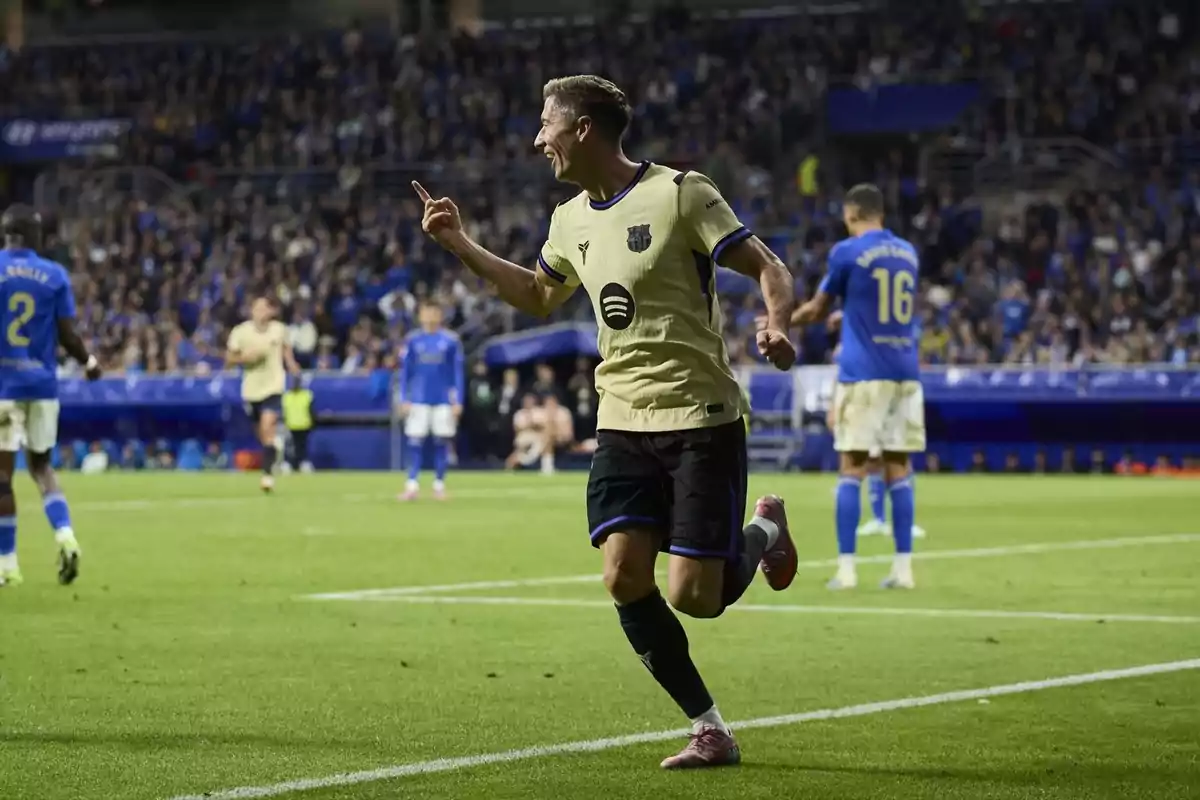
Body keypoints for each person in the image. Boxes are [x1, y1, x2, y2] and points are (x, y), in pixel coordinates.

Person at [414, 74, 798, 769]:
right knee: (623, 577)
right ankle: (708, 727)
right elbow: (537, 296)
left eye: (546, 125)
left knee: (694, 597)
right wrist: (460, 245)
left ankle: (766, 526)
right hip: (621, 419)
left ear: (583, 129)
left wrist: (775, 323)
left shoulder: (682, 192)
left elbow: (767, 265)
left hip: (701, 416)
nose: (538, 140)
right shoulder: (568, 220)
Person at [792, 183, 924, 590]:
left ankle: (847, 570)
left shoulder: (847, 252)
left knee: (852, 469)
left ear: (851, 215)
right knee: (898, 469)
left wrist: (782, 321)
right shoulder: (908, 253)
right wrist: (847, 315)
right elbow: (875, 304)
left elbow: (816, 308)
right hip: (904, 371)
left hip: (864, 373)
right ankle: (903, 570)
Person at [0, 204, 101, 587]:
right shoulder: (54, 274)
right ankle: (65, 536)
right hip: (42, 386)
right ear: (35, 236)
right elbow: (67, 333)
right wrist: (89, 362)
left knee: (2, 479)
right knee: (42, 467)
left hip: (3, 388)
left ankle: (7, 565)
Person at [825, 335, 926, 542]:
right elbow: (839, 373)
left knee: (895, 461)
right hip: (864, 396)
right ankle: (879, 519)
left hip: (880, 393)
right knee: (873, 461)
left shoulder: (871, 336)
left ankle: (906, 523)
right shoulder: (850, 342)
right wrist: (833, 405)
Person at [226, 296, 299, 493]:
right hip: (251, 389)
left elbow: (286, 351)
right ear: (251, 311)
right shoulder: (241, 332)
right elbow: (229, 360)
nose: (261, 312)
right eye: (257, 308)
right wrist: (244, 358)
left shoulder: (279, 330)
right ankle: (273, 449)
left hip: (274, 386)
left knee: (269, 425)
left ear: (270, 311)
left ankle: (267, 476)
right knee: (262, 434)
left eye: (264, 308)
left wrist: (292, 366)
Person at [398, 301, 463, 501]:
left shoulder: (451, 341)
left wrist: (458, 400)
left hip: (443, 399)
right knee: (414, 442)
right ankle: (412, 485)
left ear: (440, 315)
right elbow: (406, 372)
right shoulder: (413, 340)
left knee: (441, 442)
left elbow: (457, 372)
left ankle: (439, 485)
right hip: (418, 399)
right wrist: (404, 398)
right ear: (420, 315)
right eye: (426, 311)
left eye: (434, 312)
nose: (430, 315)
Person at [282, 374, 314, 473]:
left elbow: (311, 410)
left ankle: (303, 463)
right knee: (289, 447)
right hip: (291, 425)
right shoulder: (287, 395)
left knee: (302, 446)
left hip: (304, 424)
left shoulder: (307, 394)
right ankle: (288, 463)